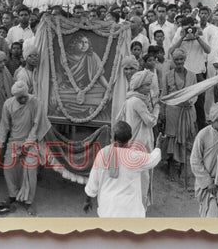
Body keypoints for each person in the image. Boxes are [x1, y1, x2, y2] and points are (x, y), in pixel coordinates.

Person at [84, 121, 162, 217]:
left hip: (108, 209)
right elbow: (153, 159)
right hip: (129, 210)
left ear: (113, 137)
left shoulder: (102, 154)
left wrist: (88, 200)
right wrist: (158, 145)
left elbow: (93, 181)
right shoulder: (134, 156)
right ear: (129, 138)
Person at [0, 81, 48, 216]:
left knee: (30, 169)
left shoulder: (36, 103)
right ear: (15, 97)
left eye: (25, 96)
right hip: (14, 141)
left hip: (32, 141)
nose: (23, 99)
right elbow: (4, 126)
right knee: (8, 167)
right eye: (20, 98)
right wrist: (0, 145)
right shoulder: (8, 104)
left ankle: (29, 202)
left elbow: (36, 126)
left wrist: (27, 145)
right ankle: (13, 195)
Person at [116, 70, 160, 208]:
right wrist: (157, 107)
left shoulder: (130, 100)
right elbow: (151, 121)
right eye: (147, 85)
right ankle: (139, 207)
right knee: (142, 177)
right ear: (139, 86)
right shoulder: (138, 102)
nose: (149, 88)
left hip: (131, 143)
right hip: (139, 144)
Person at [160, 49, 197, 180]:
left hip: (187, 112)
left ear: (185, 59)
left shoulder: (192, 76)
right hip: (172, 113)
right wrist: (162, 112)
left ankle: (183, 167)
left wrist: (189, 102)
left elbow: (195, 93)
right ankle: (171, 167)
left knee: (185, 140)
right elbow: (164, 95)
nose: (179, 62)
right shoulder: (167, 75)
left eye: (181, 59)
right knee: (172, 139)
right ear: (173, 61)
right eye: (176, 60)